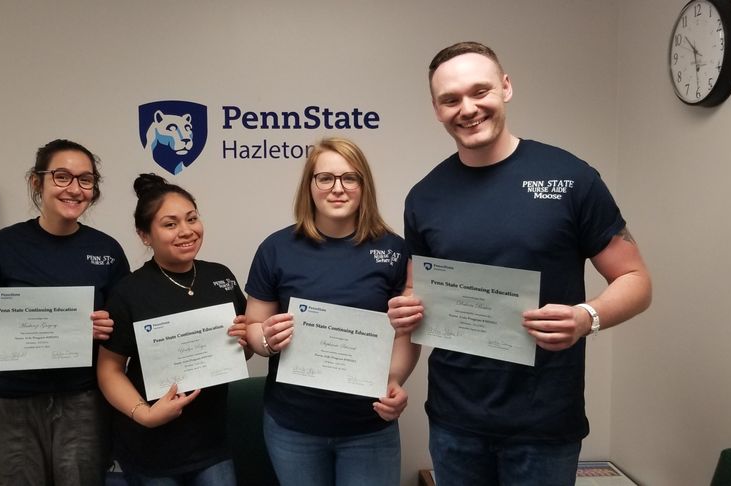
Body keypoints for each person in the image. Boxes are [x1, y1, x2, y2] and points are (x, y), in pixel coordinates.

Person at [388, 42, 653, 486]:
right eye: (450, 99)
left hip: (544, 424)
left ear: (506, 87)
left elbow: (636, 279)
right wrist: (406, 309)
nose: (467, 108)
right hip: (455, 422)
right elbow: (417, 293)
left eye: (480, 91)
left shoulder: (571, 178)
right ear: (436, 109)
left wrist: (587, 317)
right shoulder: (424, 196)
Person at [244, 137, 417, 486]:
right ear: (309, 185)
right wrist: (266, 339)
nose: (337, 188)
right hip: (293, 426)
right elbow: (253, 327)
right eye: (325, 178)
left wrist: (394, 379)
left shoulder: (395, 250)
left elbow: (407, 332)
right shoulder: (276, 249)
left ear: (363, 185)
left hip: (370, 426)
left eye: (350, 178)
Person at [0, 139, 130, 486]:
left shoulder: (107, 251)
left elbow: (122, 336)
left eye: (86, 180)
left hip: (81, 400)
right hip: (10, 401)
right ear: (38, 182)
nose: (74, 189)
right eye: (62, 176)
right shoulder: (4, 245)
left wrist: (108, 329)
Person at [97, 173, 249, 486]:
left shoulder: (221, 277)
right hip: (150, 448)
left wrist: (245, 341)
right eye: (170, 224)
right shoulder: (129, 292)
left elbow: (238, 350)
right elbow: (109, 371)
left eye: (191, 218)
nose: (186, 231)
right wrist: (145, 414)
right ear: (145, 235)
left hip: (211, 443)